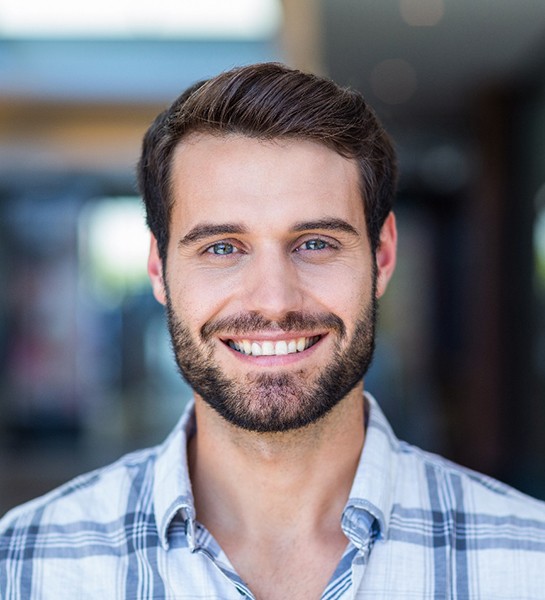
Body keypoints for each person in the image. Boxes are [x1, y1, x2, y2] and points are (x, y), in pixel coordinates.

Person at [1, 62, 545, 600]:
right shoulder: (25, 565)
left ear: (381, 256)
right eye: (221, 248)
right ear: (159, 270)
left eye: (315, 243)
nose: (274, 302)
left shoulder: (528, 561)